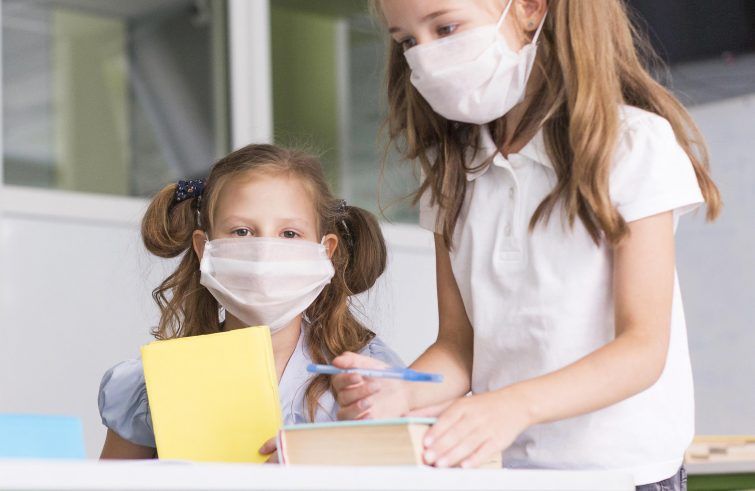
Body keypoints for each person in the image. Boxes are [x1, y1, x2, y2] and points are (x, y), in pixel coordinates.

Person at [331, 1, 720, 488]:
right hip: (510, 473)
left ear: (531, 9)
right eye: (407, 41)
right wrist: (402, 392)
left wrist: (513, 407)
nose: (424, 56)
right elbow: (459, 347)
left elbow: (642, 349)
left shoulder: (631, 144)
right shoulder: (454, 173)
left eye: (445, 27)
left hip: (624, 475)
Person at [98, 144, 402, 459]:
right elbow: (108, 481)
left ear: (326, 251)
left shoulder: (370, 377)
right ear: (203, 248)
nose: (264, 252)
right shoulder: (157, 383)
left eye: (289, 234)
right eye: (242, 231)